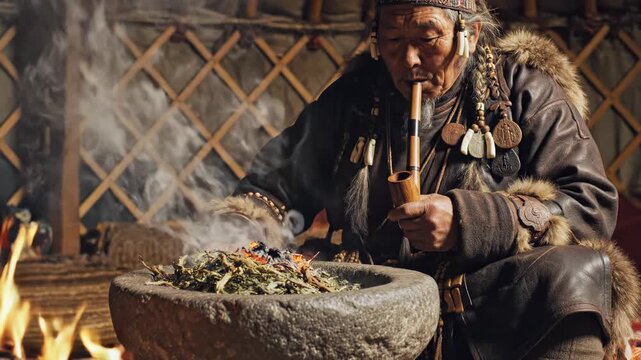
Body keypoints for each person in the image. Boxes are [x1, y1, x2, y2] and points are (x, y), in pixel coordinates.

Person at [218, 0, 641, 358]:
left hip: (485, 313)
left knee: (579, 269)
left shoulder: (524, 90)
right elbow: (269, 190)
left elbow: (589, 204)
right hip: (365, 302)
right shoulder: (352, 99)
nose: (410, 60)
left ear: (469, 35)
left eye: (426, 39)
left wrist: (470, 220)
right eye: (393, 41)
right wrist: (236, 229)